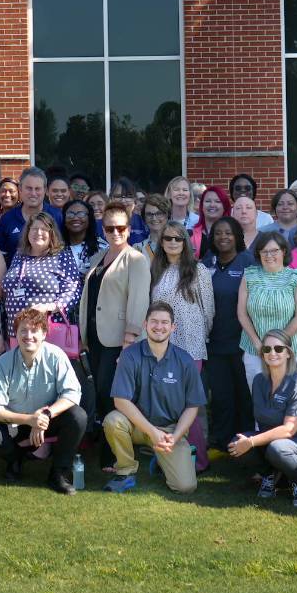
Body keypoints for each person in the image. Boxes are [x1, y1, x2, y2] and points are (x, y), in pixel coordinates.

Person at [104, 303, 207, 494]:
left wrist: (175, 437)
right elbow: (120, 400)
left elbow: (193, 406)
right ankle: (126, 471)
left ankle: (160, 459)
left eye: (164, 322)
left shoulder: (185, 360)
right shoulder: (130, 355)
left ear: (173, 327)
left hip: (170, 430)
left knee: (186, 487)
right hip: (138, 425)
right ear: (145, 324)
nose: (159, 327)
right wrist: (151, 432)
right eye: (154, 321)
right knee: (113, 421)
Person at [0, 308, 86, 493]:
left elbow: (72, 393)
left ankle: (58, 474)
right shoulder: (3, 363)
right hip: (15, 422)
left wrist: (45, 415)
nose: (28, 336)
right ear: (16, 333)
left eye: (34, 330)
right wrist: (30, 420)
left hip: (48, 419)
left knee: (78, 416)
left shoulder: (56, 356)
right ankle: (15, 458)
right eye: (23, 330)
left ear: (44, 334)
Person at [227, 329, 297, 508]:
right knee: (235, 444)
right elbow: (262, 423)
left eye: (278, 349)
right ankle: (269, 475)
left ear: (288, 353)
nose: (272, 353)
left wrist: (252, 441)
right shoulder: (258, 382)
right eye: (267, 349)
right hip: (273, 444)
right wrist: (247, 442)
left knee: (276, 448)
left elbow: (288, 430)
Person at [80, 201, 150, 438]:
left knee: (112, 392)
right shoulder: (98, 257)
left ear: (129, 229)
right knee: (99, 391)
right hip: (95, 337)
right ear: (103, 230)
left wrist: (128, 342)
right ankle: (106, 441)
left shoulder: (136, 259)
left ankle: (114, 450)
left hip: (119, 339)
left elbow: (139, 301)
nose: (115, 233)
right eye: (110, 228)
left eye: (120, 228)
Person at [202, 216, 253, 445]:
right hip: (214, 343)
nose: (223, 237)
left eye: (228, 233)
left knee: (244, 394)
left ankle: (245, 440)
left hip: (242, 342)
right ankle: (222, 440)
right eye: (218, 233)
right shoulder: (207, 262)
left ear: (237, 237)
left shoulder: (248, 262)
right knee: (221, 396)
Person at [1, 212, 85, 348]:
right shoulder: (19, 255)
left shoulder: (62, 255)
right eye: (34, 229)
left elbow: (73, 291)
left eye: (44, 229)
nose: (38, 233)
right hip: (16, 329)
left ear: (52, 234)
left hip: (46, 330)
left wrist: (49, 307)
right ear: (27, 232)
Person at [238, 231, 297, 387]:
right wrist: (259, 344)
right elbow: (242, 314)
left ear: (283, 251)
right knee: (262, 403)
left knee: (293, 405)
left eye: (274, 250)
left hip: (291, 351)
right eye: (264, 251)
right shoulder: (249, 276)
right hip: (256, 350)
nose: (269, 255)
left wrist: (276, 343)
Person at [150, 221, 215, 366]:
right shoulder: (155, 270)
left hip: (191, 342)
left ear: (184, 242)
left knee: (189, 387)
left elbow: (208, 310)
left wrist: (203, 336)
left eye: (178, 239)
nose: (173, 242)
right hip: (161, 341)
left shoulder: (199, 270)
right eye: (168, 238)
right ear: (161, 242)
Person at [60, 198, 103, 269]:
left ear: (89, 219)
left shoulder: (102, 247)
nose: (75, 218)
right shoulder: (56, 247)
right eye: (70, 214)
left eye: (81, 214)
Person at [194, 186, 230, 261]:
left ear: (224, 206)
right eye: (208, 201)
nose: (212, 205)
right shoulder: (191, 235)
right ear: (202, 206)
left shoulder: (234, 234)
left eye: (217, 201)